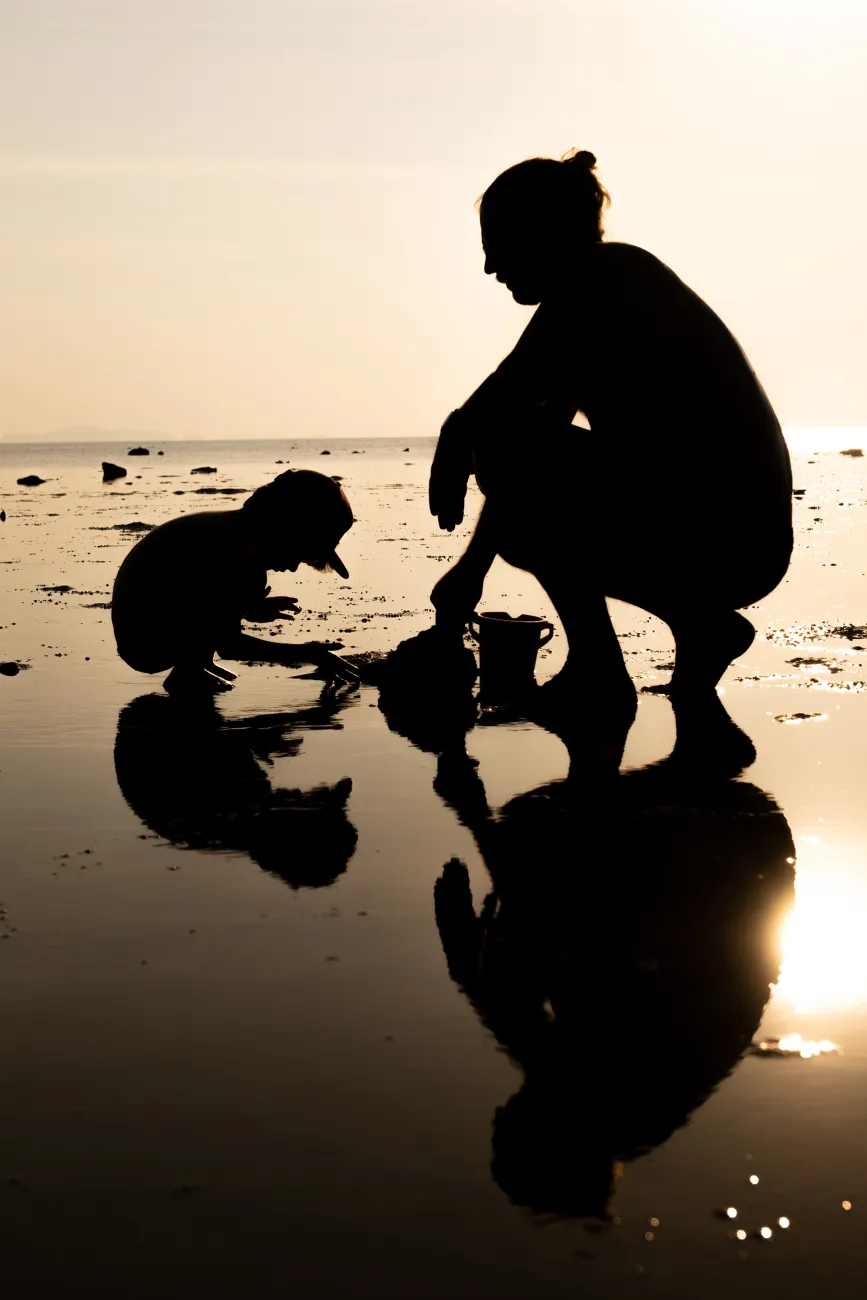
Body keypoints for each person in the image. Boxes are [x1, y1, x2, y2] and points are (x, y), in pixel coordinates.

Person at [428, 149, 793, 710]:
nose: (488, 266)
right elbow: (526, 470)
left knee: (503, 450)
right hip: (724, 537)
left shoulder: (604, 276)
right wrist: (468, 574)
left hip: (729, 534)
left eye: (495, 242)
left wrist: (457, 438)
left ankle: (600, 666)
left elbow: (498, 415)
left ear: (545, 229)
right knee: (515, 481)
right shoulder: (595, 300)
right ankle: (699, 627)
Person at [111, 468, 358, 693]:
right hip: (146, 644)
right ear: (287, 527)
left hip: (144, 628)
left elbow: (201, 596)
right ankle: (188, 675)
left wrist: (248, 609)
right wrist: (309, 653)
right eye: (299, 552)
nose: (293, 567)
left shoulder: (228, 529)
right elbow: (230, 645)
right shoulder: (241, 561)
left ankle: (194, 666)